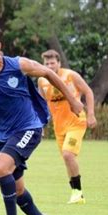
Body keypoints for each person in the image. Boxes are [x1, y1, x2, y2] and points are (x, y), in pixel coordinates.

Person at [0, 24, 84, 215]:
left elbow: (49, 72)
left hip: (28, 128)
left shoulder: (18, 65)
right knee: (17, 189)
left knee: (1, 167)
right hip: (1, 136)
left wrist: (73, 100)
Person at [38, 49, 97, 204]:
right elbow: (42, 104)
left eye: (52, 63)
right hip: (59, 126)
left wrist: (91, 114)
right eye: (47, 63)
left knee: (67, 154)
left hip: (76, 121)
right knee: (67, 159)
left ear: (59, 63)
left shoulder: (70, 76)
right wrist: (41, 125)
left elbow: (88, 92)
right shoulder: (42, 81)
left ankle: (78, 192)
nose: (50, 66)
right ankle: (76, 193)